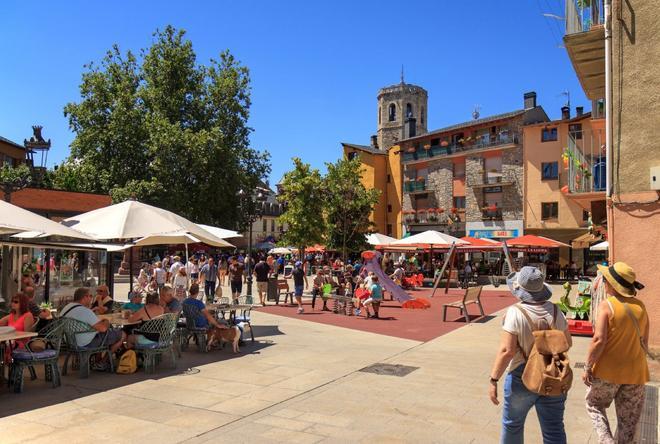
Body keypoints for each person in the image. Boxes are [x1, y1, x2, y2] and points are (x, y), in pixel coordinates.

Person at [488, 266, 571, 444]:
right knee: (554, 428)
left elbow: (507, 351)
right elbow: (568, 343)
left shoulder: (515, 313)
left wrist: (493, 379)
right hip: (553, 374)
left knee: (513, 425)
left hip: (521, 375)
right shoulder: (556, 311)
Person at [583, 262, 649, 444]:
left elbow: (598, 340)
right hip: (636, 373)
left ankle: (606, 441)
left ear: (611, 284)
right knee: (629, 423)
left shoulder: (607, 306)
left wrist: (588, 367)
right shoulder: (641, 307)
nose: (604, 282)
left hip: (607, 371)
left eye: (605, 280)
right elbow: (644, 342)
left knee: (594, 405)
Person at [61, 287, 125, 354]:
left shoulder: (66, 308)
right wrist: (106, 321)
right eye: (90, 296)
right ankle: (104, 360)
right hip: (86, 344)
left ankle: (98, 359)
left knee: (105, 335)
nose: (92, 298)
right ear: (85, 297)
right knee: (122, 334)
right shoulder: (85, 311)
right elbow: (103, 328)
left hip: (70, 343)